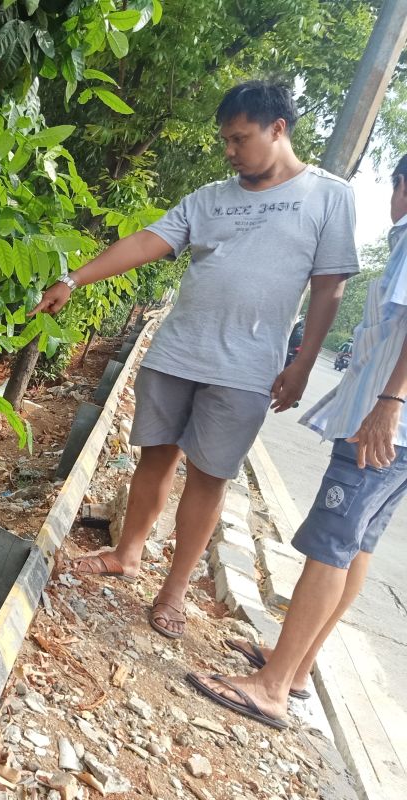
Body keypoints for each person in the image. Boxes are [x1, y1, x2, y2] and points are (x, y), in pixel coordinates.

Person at [31, 80, 357, 638]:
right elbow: (147, 241)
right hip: (179, 351)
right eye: (225, 140)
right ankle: (126, 554)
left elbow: (329, 289)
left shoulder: (330, 196)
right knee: (155, 457)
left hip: (247, 369)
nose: (230, 151)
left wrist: (300, 364)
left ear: (278, 129)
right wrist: (73, 278)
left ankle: (174, 591)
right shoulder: (210, 197)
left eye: (240, 138)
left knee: (210, 478)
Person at [187, 155, 407, 729]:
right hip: (396, 433)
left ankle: (271, 686)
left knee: (331, 545)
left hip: (384, 427)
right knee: (356, 546)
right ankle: (297, 667)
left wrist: (389, 403)